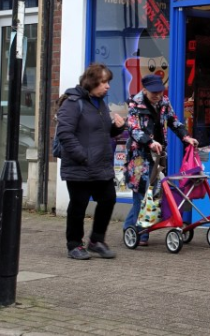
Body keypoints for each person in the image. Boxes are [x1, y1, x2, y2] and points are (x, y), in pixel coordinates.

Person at [56, 62, 126, 260]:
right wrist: (82, 156)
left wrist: (118, 128)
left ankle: (96, 240)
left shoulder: (100, 103)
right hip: (81, 165)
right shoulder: (72, 102)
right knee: (78, 205)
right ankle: (74, 244)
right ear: (91, 82)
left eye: (108, 81)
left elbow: (102, 132)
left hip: (100, 165)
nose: (108, 86)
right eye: (103, 82)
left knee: (108, 199)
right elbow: (64, 133)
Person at [123, 74, 198, 244]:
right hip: (138, 155)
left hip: (158, 155)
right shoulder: (135, 104)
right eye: (153, 92)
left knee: (153, 192)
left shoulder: (164, 102)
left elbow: (174, 122)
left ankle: (129, 226)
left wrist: (186, 137)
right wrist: (149, 142)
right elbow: (133, 129)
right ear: (144, 90)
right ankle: (141, 233)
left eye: (159, 91)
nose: (157, 95)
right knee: (141, 192)